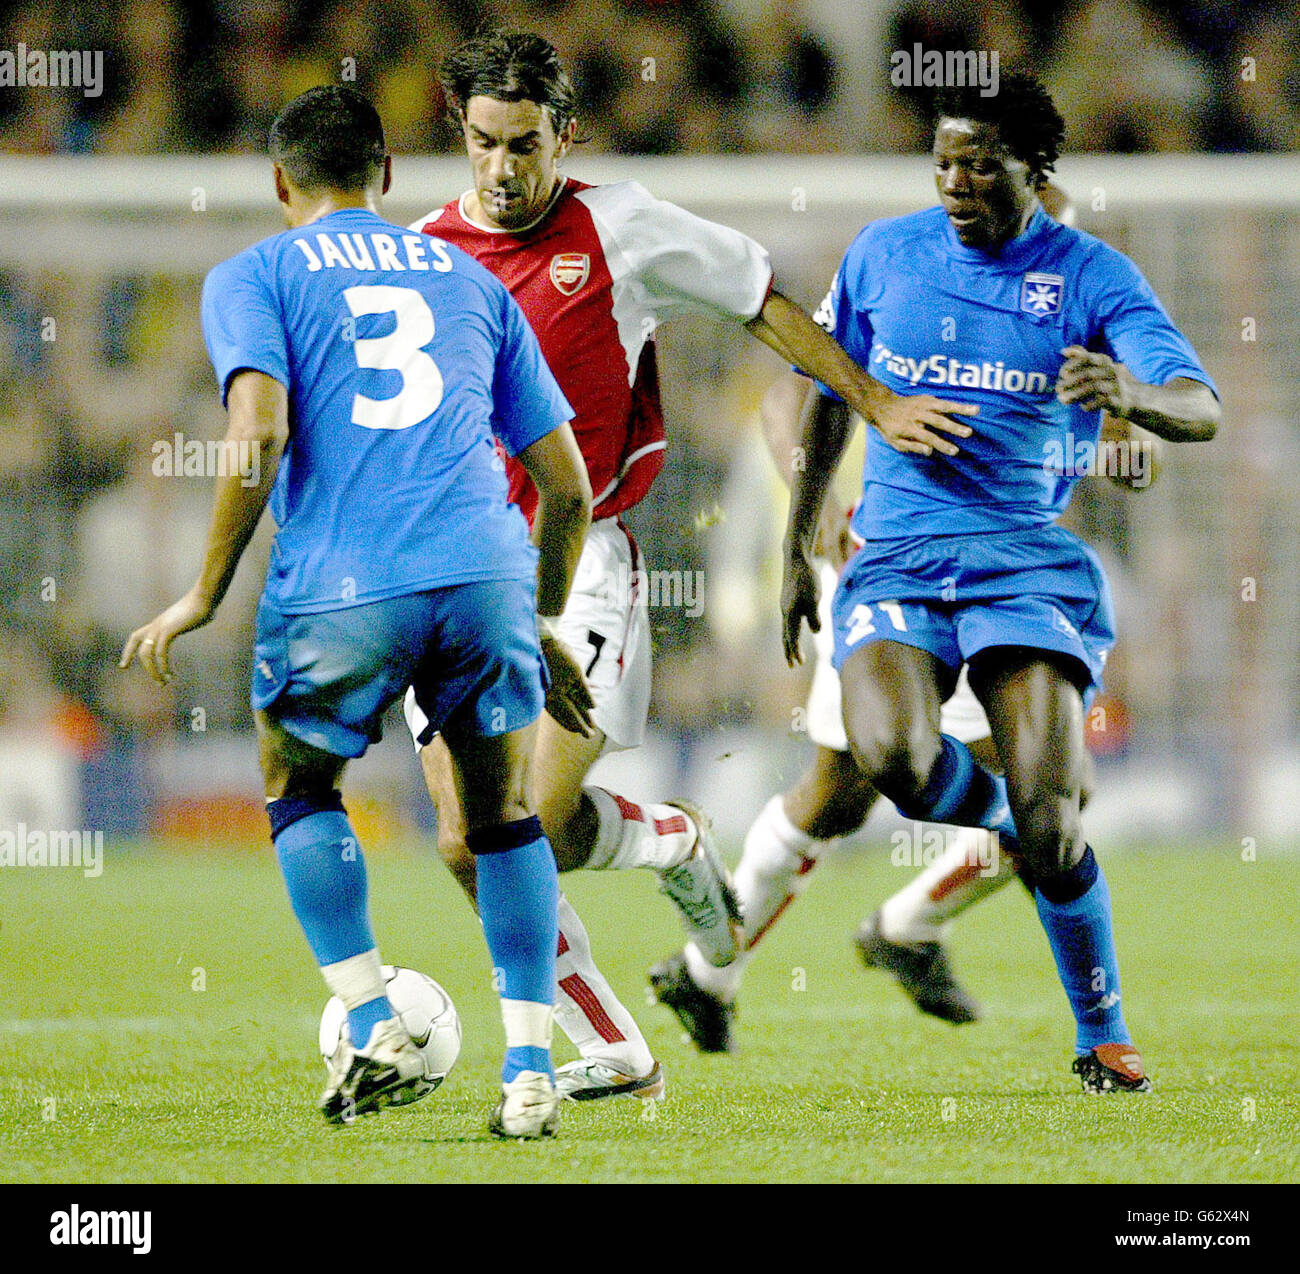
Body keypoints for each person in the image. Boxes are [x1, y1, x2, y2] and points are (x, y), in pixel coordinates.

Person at [399, 30, 977, 1103]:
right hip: (458, 580)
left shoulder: (620, 228)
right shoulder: (424, 255)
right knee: (466, 843)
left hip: (579, 575)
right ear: (460, 138)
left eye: (524, 144)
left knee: (513, 822)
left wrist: (877, 402)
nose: (502, 168)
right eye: (483, 144)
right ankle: (662, 862)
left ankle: (607, 1024)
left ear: (562, 136)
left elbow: (764, 300)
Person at [119, 85, 595, 1139]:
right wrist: (542, 615)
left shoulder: (254, 273)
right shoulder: (473, 279)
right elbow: (567, 487)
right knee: (501, 813)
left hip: (345, 583)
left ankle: (374, 1013)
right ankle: (527, 1071)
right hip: (483, 572)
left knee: (298, 782)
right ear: (387, 178)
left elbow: (256, 435)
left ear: (281, 182)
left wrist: (204, 590)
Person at [776, 72, 1216, 1094]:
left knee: (1055, 823)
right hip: (894, 554)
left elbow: (1201, 407)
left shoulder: (1093, 277)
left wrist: (1134, 395)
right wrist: (795, 544)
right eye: (942, 161)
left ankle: (1101, 1032)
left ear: (1035, 167)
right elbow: (833, 395)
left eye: (980, 162)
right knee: (891, 756)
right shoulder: (883, 254)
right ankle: (1022, 827)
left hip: (1023, 561)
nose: (956, 182)